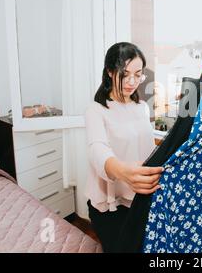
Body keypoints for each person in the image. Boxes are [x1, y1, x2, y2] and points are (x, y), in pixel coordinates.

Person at [85, 42, 164, 252]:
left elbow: (145, 147)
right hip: (111, 207)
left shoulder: (142, 108)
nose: (132, 82)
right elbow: (97, 149)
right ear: (110, 72)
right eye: (125, 73)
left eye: (138, 75)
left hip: (138, 198)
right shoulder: (97, 110)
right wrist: (122, 171)